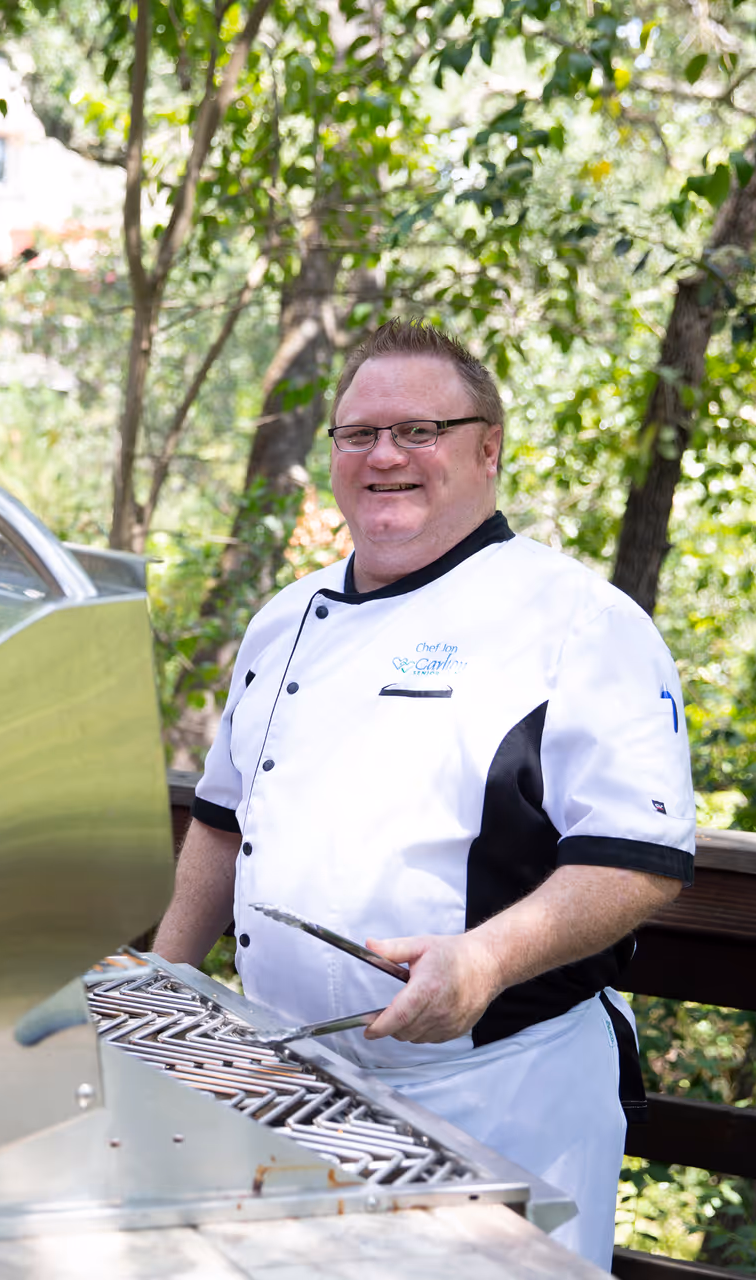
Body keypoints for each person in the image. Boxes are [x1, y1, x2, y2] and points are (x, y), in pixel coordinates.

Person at [152, 320, 695, 1270]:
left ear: (488, 448)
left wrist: (483, 960)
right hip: (292, 1085)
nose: (385, 456)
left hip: (495, 1091)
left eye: (420, 430)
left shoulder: (580, 623)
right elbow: (223, 823)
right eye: (358, 434)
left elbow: (636, 863)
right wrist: (163, 988)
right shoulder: (285, 620)